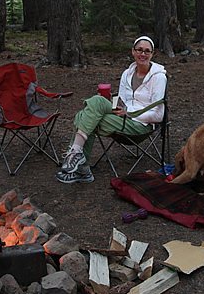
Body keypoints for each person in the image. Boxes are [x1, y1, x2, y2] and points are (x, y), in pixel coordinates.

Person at [56, 35, 167, 184]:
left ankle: (81, 166)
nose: (143, 54)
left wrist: (130, 113)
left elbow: (159, 115)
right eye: (139, 50)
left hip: (141, 125)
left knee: (84, 116)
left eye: (147, 51)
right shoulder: (127, 74)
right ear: (133, 51)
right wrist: (112, 103)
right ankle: (77, 154)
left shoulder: (159, 77)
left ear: (152, 54)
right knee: (96, 102)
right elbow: (121, 100)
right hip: (122, 116)